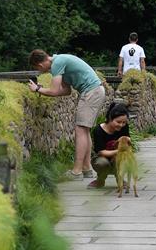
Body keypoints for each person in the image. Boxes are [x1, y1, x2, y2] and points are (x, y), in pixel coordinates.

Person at [28, 50, 106, 179]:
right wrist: (41, 89)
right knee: (84, 130)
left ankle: (76, 171)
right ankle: (87, 169)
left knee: (80, 130)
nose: (40, 71)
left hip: (91, 92)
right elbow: (66, 91)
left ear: (40, 65)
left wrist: (37, 89)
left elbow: (54, 91)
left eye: (38, 69)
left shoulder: (57, 63)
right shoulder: (60, 62)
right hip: (94, 91)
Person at [88, 102, 131, 188]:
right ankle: (100, 179)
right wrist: (119, 151)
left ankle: (120, 179)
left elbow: (127, 143)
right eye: (118, 122)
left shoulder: (124, 127)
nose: (121, 125)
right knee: (102, 163)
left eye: (124, 122)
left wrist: (127, 141)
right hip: (102, 157)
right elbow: (101, 152)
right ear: (110, 118)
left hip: (117, 157)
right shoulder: (98, 130)